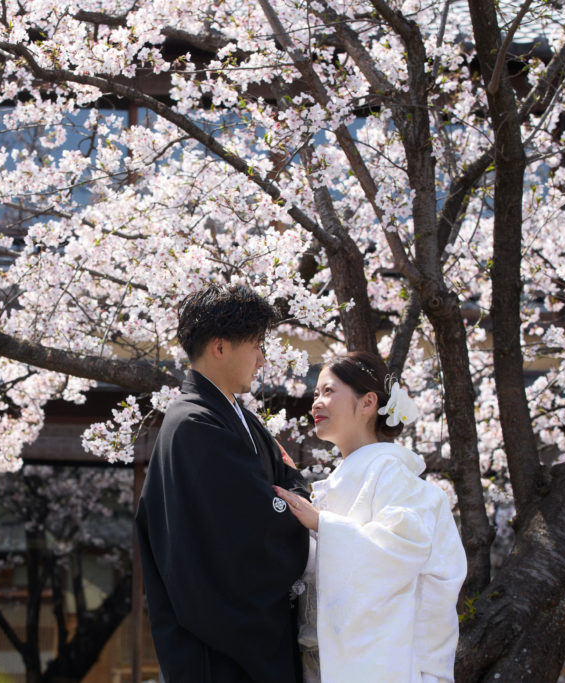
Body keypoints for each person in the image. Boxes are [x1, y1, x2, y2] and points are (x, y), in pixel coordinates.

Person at [135, 283, 311, 682]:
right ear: (220, 347)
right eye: (256, 347)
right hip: (216, 652)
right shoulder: (195, 425)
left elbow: (291, 480)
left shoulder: (236, 418)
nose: (263, 361)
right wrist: (293, 504)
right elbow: (259, 521)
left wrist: (289, 497)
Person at [274, 351, 468, 683]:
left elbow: (401, 549)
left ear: (368, 403)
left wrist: (323, 524)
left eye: (329, 391)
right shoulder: (342, 479)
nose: (316, 403)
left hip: (381, 665)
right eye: (316, 393)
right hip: (328, 659)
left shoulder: (390, 472)